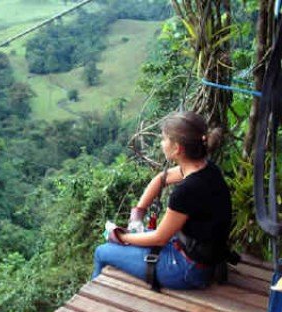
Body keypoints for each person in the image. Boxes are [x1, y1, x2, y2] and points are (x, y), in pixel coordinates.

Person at [92, 111, 231, 289]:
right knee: (131, 242)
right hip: (204, 259)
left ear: (177, 148)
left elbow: (159, 238)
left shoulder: (186, 190)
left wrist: (122, 236)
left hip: (188, 269)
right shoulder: (207, 169)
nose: (161, 143)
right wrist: (138, 214)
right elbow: (161, 179)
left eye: (164, 139)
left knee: (102, 252)